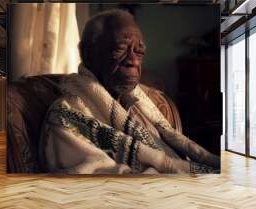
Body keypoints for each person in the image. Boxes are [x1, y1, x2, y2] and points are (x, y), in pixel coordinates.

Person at [40, 9, 220, 174]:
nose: (133, 61)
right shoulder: (65, 116)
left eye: (139, 52)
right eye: (121, 49)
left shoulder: (141, 105)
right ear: (88, 54)